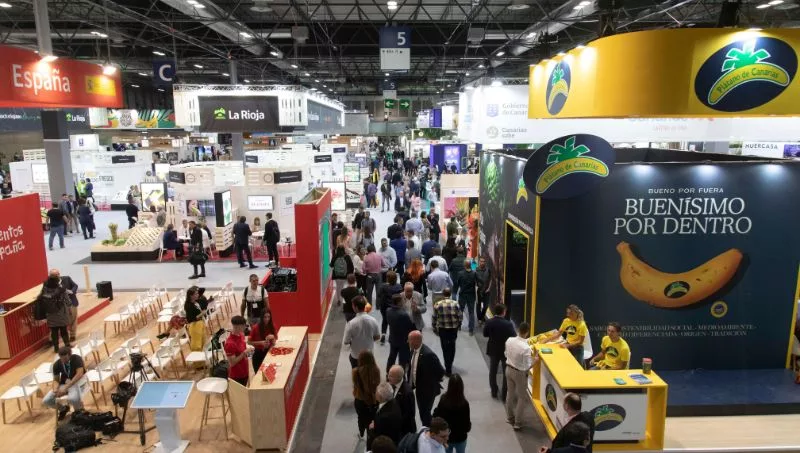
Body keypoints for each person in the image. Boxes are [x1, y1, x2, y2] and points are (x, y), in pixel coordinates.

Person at [407, 331, 445, 428]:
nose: (407, 341)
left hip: (427, 391)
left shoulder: (428, 355)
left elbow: (441, 371)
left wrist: (430, 381)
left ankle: (429, 430)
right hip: (419, 388)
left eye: (409, 340)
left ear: (416, 341)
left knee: (425, 414)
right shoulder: (413, 350)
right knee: (423, 412)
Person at [43, 346, 88, 420]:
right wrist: (55, 390)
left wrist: (66, 388)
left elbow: (79, 374)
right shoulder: (57, 364)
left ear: (70, 355)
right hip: (64, 384)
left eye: (66, 359)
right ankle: (63, 409)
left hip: (76, 383)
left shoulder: (77, 359)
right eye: (62, 359)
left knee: (73, 399)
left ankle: (79, 412)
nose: (64, 361)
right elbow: (56, 380)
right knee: (46, 400)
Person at [483, 304, 516, 400]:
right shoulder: (508, 324)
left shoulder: (489, 322)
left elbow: (485, 334)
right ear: (503, 312)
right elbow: (514, 337)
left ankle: (494, 391)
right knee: (506, 372)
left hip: (493, 350)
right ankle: (504, 394)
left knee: (493, 371)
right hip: (505, 351)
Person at [505, 322, 534, 430]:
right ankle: (517, 423)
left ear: (518, 330)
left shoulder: (509, 340)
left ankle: (509, 418)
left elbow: (506, 354)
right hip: (520, 374)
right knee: (522, 397)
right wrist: (535, 360)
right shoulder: (526, 348)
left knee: (510, 393)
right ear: (527, 332)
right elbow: (527, 366)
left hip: (508, 369)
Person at [432, 374, 471, 453]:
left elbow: (437, 416)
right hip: (460, 437)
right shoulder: (464, 404)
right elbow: (467, 425)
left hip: (446, 437)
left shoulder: (443, 400)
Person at [344, 296, 381, 368]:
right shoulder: (373, 320)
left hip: (356, 355)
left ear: (356, 307)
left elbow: (346, 341)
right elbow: (377, 337)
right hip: (369, 355)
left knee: (357, 373)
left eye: (353, 305)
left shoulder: (351, 323)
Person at [431, 289, 462, 376]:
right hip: (453, 329)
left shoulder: (438, 304)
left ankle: (447, 367)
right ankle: (450, 363)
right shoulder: (456, 304)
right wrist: (459, 325)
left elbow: (434, 317)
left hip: (443, 329)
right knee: (452, 346)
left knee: (445, 348)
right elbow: (460, 316)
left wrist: (434, 327)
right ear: (450, 294)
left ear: (443, 294)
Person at [353, 350, 381, 439]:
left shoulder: (355, 372)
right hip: (373, 400)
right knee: (372, 419)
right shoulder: (376, 370)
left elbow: (355, 385)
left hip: (360, 400)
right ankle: (371, 435)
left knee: (361, 418)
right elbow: (377, 384)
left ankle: (361, 433)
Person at [40, 274, 72, 352]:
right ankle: (67, 345)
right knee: (63, 330)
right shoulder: (61, 289)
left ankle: (56, 348)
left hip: (50, 314)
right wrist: (69, 305)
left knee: (54, 332)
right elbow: (68, 301)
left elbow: (41, 299)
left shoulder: (45, 289)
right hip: (61, 312)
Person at [367, 382, 404, 449]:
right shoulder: (393, 401)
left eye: (376, 392)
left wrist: (371, 428)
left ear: (380, 397)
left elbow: (378, 436)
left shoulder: (384, 418)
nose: (375, 393)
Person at [49, 269, 80, 342]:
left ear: (59, 274)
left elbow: (75, 285)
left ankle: (72, 335)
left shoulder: (67, 278)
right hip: (60, 306)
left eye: (56, 275)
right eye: (52, 276)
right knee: (57, 321)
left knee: (73, 319)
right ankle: (52, 338)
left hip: (71, 302)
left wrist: (72, 291)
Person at [387, 294, 415, 372]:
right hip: (403, 340)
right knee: (402, 359)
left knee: (392, 357)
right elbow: (410, 326)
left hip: (393, 338)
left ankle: (388, 372)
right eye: (402, 300)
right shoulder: (404, 314)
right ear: (399, 302)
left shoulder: (388, 311)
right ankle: (401, 373)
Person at [224, 315, 253, 387]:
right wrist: (244, 353)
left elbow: (242, 348)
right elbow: (232, 363)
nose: (245, 328)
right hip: (237, 376)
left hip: (244, 370)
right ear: (237, 327)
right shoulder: (230, 344)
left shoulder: (241, 335)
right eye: (243, 326)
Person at [387, 364, 416, 435]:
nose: (388, 377)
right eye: (388, 374)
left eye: (391, 376)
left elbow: (409, 415)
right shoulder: (392, 384)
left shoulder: (407, 393)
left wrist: (394, 423)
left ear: (398, 377)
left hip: (403, 430)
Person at [378, 271, 403, 344]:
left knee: (385, 320)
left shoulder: (383, 286)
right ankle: (393, 336)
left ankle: (383, 334)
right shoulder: (399, 286)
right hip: (395, 306)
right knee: (395, 321)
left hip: (384, 306)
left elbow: (379, 295)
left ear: (387, 279)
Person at [184, 286, 208, 356]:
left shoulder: (196, 301)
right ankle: (197, 361)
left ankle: (203, 358)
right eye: (196, 294)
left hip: (200, 323)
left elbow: (203, 289)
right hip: (194, 326)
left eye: (197, 293)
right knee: (196, 345)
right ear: (191, 296)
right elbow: (191, 319)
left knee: (203, 342)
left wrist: (196, 289)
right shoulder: (188, 305)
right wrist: (202, 313)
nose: (198, 295)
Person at [456, 258, 477, 335]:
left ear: (464, 265)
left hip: (462, 294)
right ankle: (471, 329)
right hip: (471, 294)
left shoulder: (460, 273)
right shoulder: (474, 273)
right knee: (471, 312)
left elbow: (458, 283)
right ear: (470, 265)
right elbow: (477, 282)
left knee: (460, 310)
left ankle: (459, 325)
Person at [475, 257, 493, 324]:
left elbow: (491, 279)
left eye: (484, 261)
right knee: (478, 305)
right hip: (479, 290)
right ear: (479, 262)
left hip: (486, 290)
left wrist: (489, 288)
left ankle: (482, 316)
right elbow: (474, 280)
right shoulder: (476, 270)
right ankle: (479, 318)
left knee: (486, 306)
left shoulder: (488, 270)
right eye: (481, 261)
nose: (482, 263)